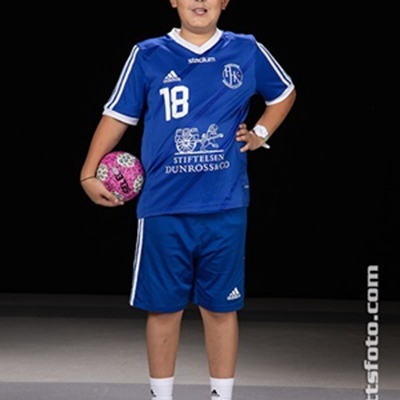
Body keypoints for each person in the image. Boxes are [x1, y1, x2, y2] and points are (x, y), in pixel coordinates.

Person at [80, 0, 296, 399]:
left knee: (221, 308)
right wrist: (87, 172)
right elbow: (117, 116)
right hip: (164, 206)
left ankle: (222, 396)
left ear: (224, 2)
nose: (200, 1)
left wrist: (260, 134)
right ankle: (161, 396)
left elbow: (284, 93)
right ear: (174, 0)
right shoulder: (148, 54)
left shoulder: (246, 49)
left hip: (225, 204)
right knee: (164, 308)